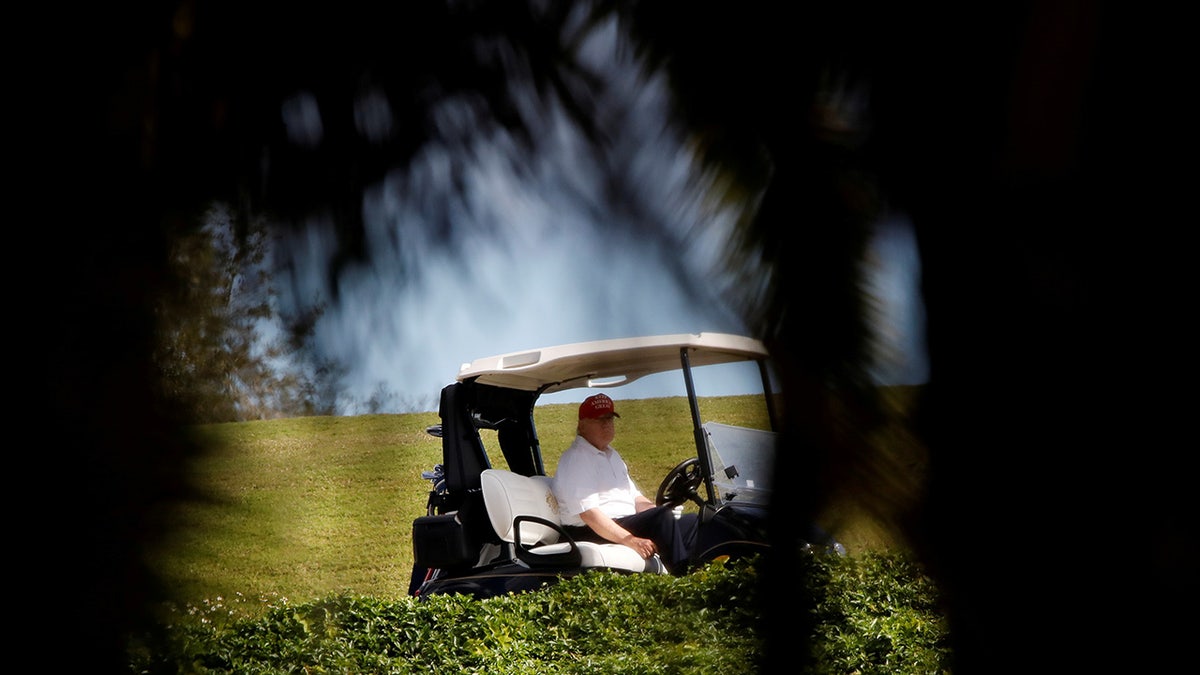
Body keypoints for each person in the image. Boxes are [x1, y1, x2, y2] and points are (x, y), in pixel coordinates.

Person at [551, 393, 698, 575]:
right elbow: (589, 514)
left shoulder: (612, 456)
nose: (607, 424)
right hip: (590, 530)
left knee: (692, 521)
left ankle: (696, 571)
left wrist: (655, 511)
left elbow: (635, 498)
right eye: (599, 420)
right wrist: (630, 540)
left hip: (620, 522)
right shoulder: (577, 459)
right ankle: (681, 580)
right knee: (663, 518)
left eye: (610, 419)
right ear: (582, 425)